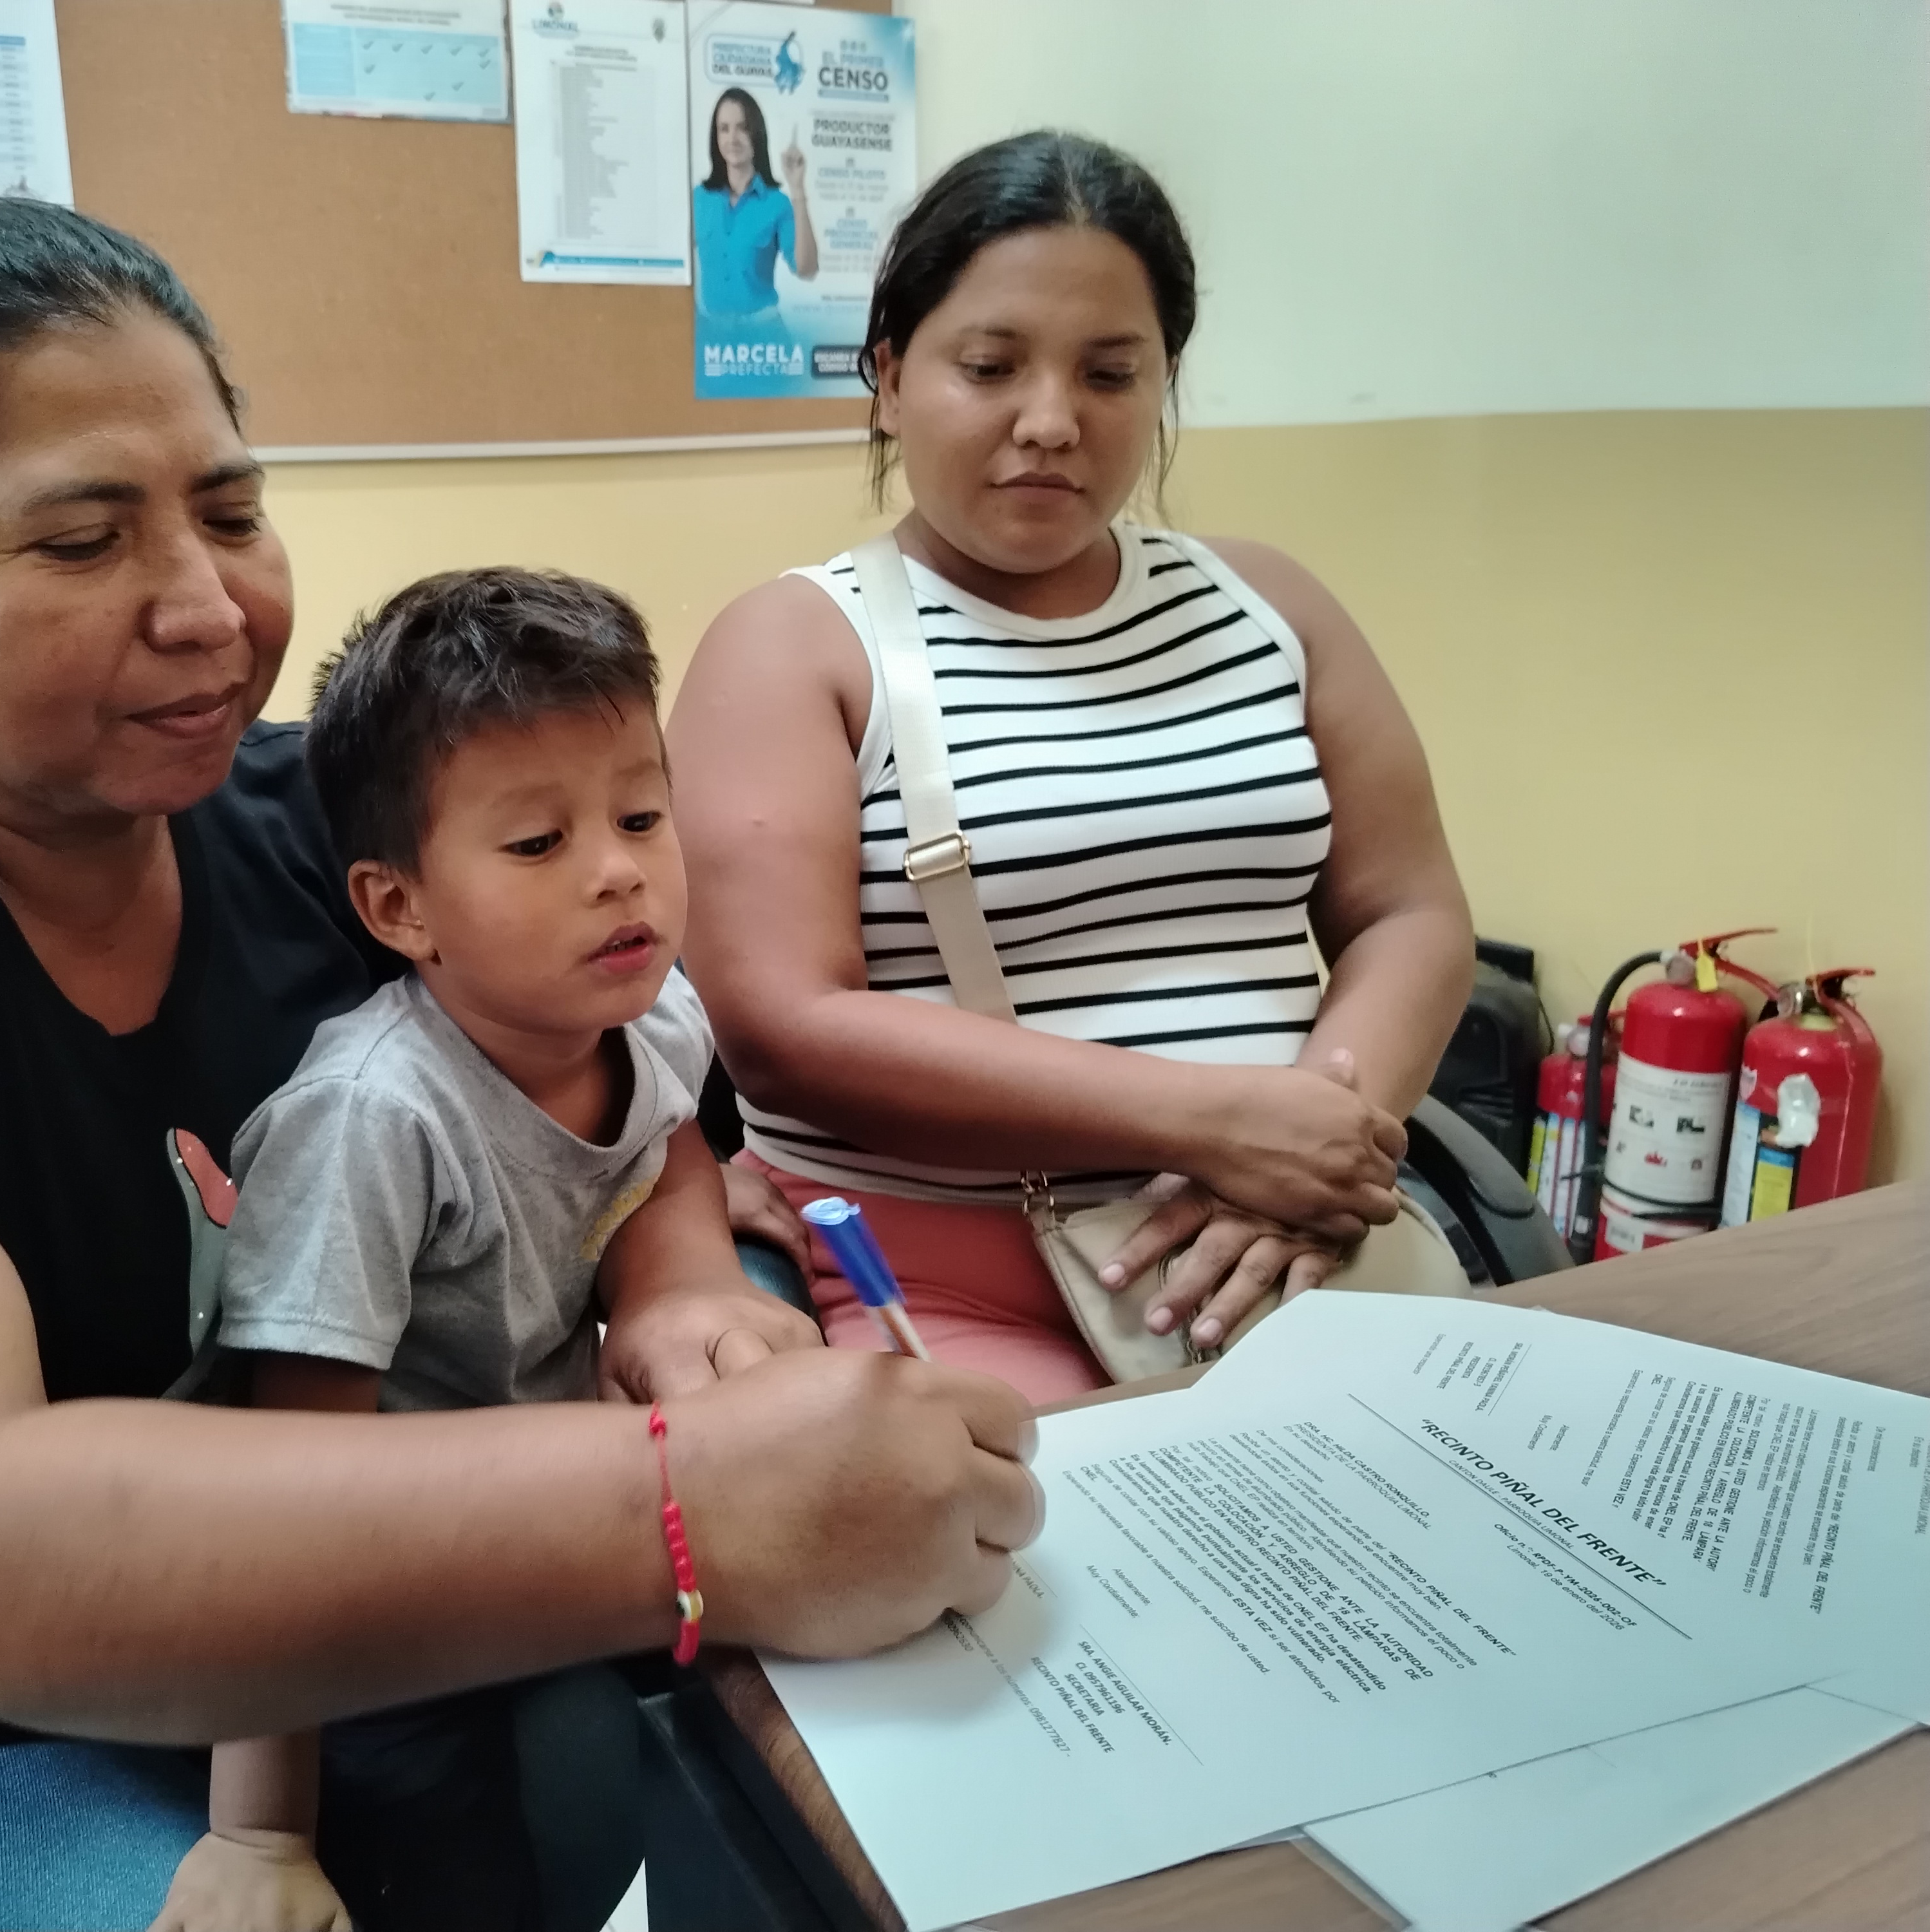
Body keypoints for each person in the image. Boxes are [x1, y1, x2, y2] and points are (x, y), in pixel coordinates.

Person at [0, 196, 1043, 1931]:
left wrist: (674, 1276)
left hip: (212, 1582)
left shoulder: (315, 828)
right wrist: (695, 1509)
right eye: (81, 540)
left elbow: (613, 1077)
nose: (204, 606)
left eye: (234, 514)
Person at [667, 132, 1475, 1407]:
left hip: (1294, 1245)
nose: (1050, 423)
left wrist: (1307, 1145)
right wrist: (1212, 1122)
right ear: (890, 376)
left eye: (1110, 373)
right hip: (949, 1286)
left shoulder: (1269, 605)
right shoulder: (795, 646)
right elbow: (784, 1028)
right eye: (989, 367)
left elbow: (1409, 912)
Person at [159, 568, 718, 1931]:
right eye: (537, 842)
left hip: (550, 1531)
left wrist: (698, 1273)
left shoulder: (649, 1013)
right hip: (377, 1604)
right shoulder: (372, 1121)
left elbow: (674, 1143)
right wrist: (260, 1835)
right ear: (400, 907)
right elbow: (288, 1500)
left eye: (641, 816)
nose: (618, 869)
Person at [692, 86, 818, 328]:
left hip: (763, 335)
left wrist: (798, 189)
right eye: (724, 129)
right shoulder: (699, 199)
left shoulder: (777, 204)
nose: (732, 139)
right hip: (711, 337)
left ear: (756, 134)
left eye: (743, 128)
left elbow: (807, 269)